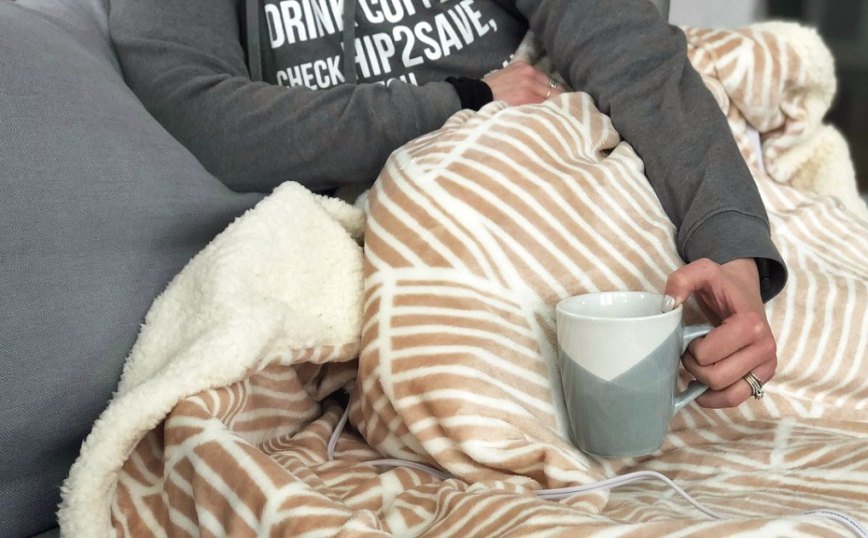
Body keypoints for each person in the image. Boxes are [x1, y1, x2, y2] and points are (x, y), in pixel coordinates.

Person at [110, 0, 787, 407]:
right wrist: (457, 103)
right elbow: (207, 117)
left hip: (558, 182)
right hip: (383, 240)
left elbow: (637, 59)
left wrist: (734, 255)